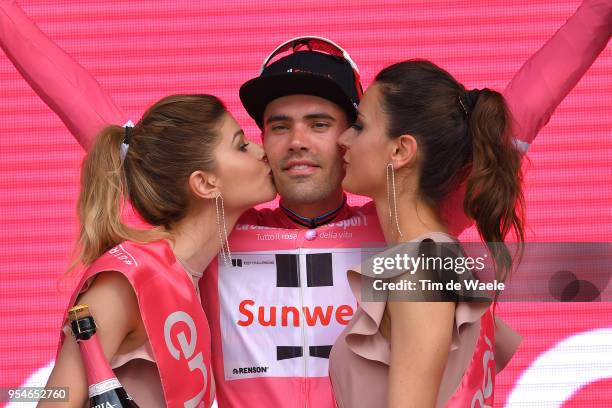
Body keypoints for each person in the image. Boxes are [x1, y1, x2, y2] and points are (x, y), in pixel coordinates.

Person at [1, 1, 609, 406]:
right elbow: (116, 135)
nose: (297, 143)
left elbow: (516, 112)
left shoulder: (408, 230)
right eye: (275, 125)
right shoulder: (217, 232)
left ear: (358, 139)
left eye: (321, 122)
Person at [39, 94, 276, 408]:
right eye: (242, 145)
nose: (262, 152)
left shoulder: (196, 278)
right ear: (205, 183)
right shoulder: (130, 278)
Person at [331, 59, 524, 407]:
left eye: (359, 126)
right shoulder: (439, 262)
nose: (343, 139)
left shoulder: (421, 268)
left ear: (401, 150)